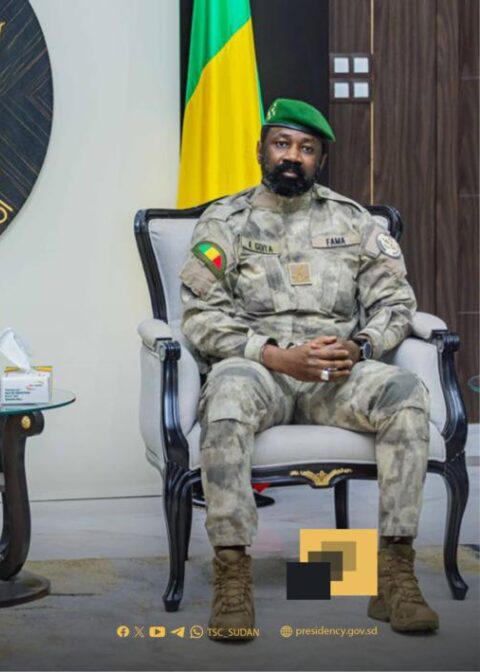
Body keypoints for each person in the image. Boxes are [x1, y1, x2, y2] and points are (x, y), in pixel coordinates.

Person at [179, 99, 438, 640]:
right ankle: (233, 578)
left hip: (335, 373)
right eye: (282, 144)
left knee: (406, 392)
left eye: (307, 148)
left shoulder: (355, 221)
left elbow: (396, 303)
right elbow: (201, 316)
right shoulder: (225, 221)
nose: (292, 157)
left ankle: (395, 576)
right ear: (261, 149)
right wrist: (275, 355)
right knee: (225, 394)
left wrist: (361, 347)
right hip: (261, 370)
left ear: (321, 159)